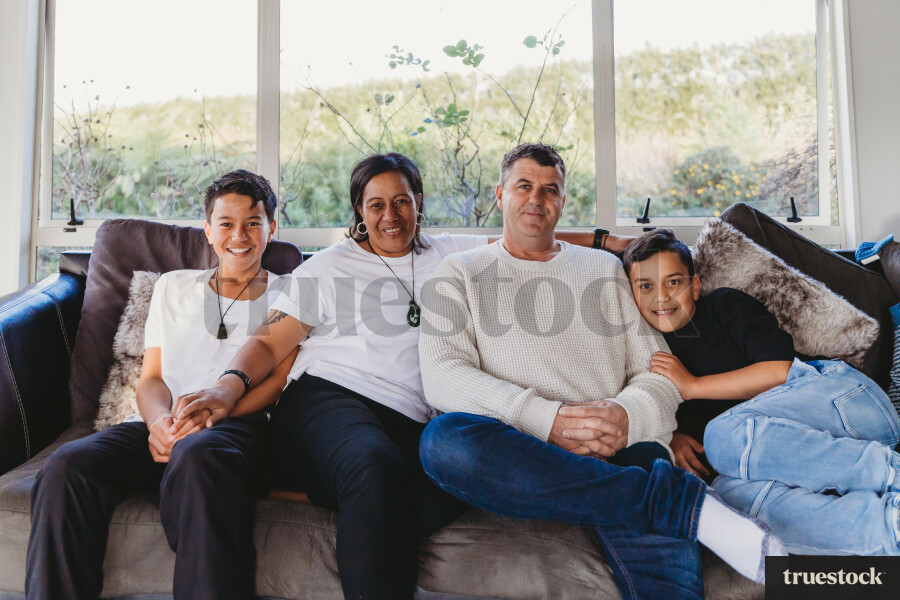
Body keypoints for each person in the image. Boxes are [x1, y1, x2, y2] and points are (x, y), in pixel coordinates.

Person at [172, 152, 629, 600]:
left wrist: (608, 244)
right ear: (360, 211)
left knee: (458, 485)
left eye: (402, 201)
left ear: (419, 202)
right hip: (331, 400)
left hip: (413, 422)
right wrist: (226, 386)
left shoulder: (450, 252)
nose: (391, 216)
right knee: (375, 467)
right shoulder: (328, 267)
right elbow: (270, 342)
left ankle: (317, 491)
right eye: (376, 205)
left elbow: (528, 232)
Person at [416, 143, 786, 600]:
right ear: (500, 194)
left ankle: (650, 497)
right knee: (443, 443)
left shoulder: (606, 270)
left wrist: (624, 416)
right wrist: (550, 421)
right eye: (523, 186)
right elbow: (442, 375)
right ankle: (675, 503)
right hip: (524, 453)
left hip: (622, 447)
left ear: (563, 201)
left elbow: (657, 372)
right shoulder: (457, 274)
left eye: (550, 189)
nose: (536, 199)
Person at [25, 170, 299, 600]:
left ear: (272, 228)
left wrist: (213, 415)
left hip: (238, 429)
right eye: (226, 223)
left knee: (197, 457)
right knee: (65, 468)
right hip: (160, 423)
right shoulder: (172, 287)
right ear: (208, 231)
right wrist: (158, 423)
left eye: (253, 222)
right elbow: (150, 379)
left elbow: (278, 385)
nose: (239, 235)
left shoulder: (290, 295)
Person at [622, 228, 900, 555]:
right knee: (729, 496)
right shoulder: (649, 354)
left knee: (722, 435)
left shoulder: (722, 305)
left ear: (694, 287)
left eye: (673, 282)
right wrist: (672, 435)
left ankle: (892, 472)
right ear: (631, 296)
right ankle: (887, 526)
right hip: (811, 446)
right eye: (645, 286)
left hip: (846, 403)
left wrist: (692, 386)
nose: (661, 297)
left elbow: (779, 371)